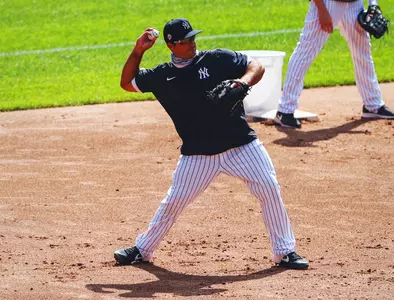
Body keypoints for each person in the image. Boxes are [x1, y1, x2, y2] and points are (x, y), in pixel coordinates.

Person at [115, 18, 308, 270]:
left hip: (241, 146)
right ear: (171, 45)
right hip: (198, 155)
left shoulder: (217, 59)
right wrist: (138, 50)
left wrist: (242, 82)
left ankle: (284, 252)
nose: (192, 43)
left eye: (194, 37)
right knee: (173, 202)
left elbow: (256, 66)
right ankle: (143, 249)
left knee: (269, 188)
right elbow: (127, 83)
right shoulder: (163, 76)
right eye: (186, 41)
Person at [274, 0, 394, 129]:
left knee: (363, 52)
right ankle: (285, 110)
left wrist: (373, 4)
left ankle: (373, 105)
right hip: (328, 4)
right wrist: (322, 10)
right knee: (305, 52)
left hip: (354, 5)